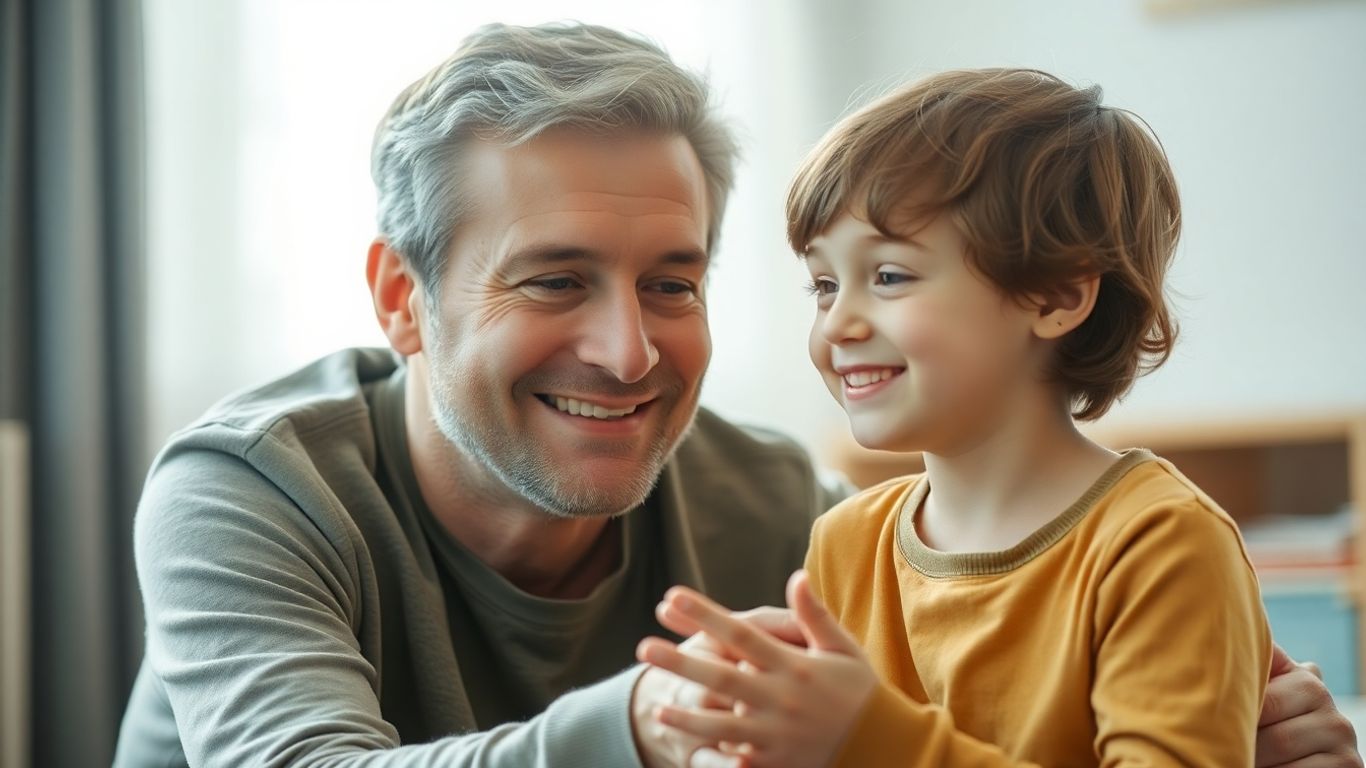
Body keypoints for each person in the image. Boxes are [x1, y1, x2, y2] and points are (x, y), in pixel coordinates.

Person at [111, 23, 1359, 768]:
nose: (627, 353)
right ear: (400, 298)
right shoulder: (246, 491)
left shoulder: (786, 511)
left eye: (671, 283)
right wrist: (645, 725)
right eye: (553, 280)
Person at [636, 69, 1358, 768]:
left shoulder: (1160, 542)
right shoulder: (845, 543)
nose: (839, 324)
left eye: (888, 275)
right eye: (824, 284)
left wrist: (869, 737)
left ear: (1055, 296)